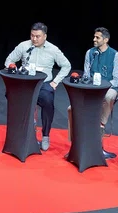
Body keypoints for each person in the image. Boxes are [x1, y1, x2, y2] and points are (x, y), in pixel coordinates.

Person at [4, 22, 71, 151]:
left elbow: (66, 65)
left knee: (48, 101)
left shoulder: (53, 49)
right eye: (32, 35)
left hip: (44, 83)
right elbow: (9, 60)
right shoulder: (24, 46)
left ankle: (45, 135)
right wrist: (15, 70)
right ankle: (21, 132)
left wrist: (55, 82)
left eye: (38, 36)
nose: (34, 39)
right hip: (25, 82)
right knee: (11, 95)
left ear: (45, 36)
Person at [66, 27, 118, 159]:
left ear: (106, 40)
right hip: (91, 90)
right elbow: (86, 74)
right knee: (70, 109)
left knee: (109, 96)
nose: (94, 39)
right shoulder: (90, 53)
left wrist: (103, 88)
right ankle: (75, 144)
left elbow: (116, 79)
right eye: (94, 37)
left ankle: (101, 125)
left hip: (108, 89)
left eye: (97, 37)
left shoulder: (115, 55)